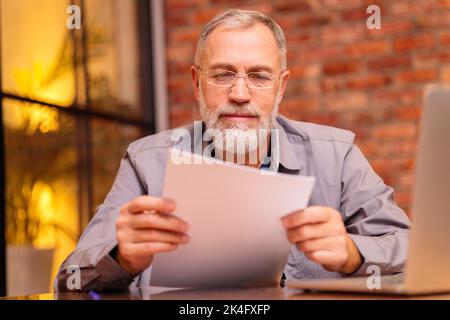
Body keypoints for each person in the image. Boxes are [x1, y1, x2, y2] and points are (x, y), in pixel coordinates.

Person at [54, 9, 410, 292]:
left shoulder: (338, 155)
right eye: (223, 75)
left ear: (281, 87)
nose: (240, 94)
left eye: (259, 76)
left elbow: (413, 249)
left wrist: (352, 253)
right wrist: (121, 258)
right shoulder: (145, 161)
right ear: (196, 82)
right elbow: (70, 279)